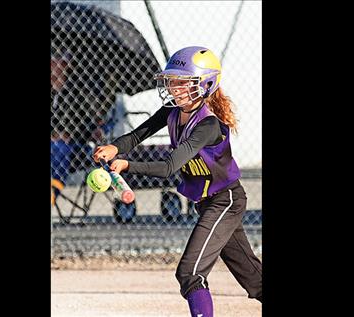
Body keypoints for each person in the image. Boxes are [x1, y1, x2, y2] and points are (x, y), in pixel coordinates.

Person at [93, 46, 262, 316]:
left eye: (183, 83)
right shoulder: (173, 111)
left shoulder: (208, 125)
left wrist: (127, 165)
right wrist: (115, 147)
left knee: (190, 273)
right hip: (208, 204)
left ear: (206, 84)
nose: (175, 88)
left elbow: (169, 167)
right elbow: (137, 135)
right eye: (172, 81)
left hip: (225, 201)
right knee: (255, 280)